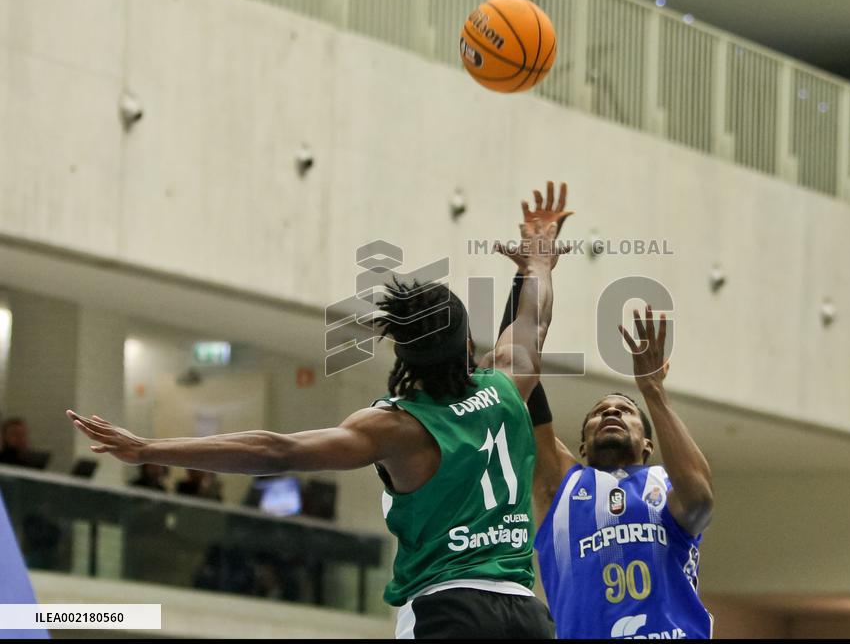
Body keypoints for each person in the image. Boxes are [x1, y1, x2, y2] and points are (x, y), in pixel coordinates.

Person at [67, 182, 572, 639]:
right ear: (468, 343)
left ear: (401, 354)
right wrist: (539, 264)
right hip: (526, 615)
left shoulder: (396, 427)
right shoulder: (508, 383)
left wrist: (147, 448)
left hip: (449, 608)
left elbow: (273, 452)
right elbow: (535, 316)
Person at [497, 278, 714, 638]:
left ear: (648, 443)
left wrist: (652, 390)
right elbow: (518, 370)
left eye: (625, 410)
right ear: (581, 447)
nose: (611, 412)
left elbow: (701, 502)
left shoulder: (664, 482)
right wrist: (529, 271)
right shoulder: (562, 484)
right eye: (600, 412)